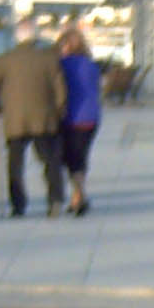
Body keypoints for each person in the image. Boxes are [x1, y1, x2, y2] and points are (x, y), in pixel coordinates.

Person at [0, 19, 67, 217]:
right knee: (50, 161)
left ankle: (18, 204)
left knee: (15, 164)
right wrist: (60, 109)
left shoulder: (5, 60)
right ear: (35, 36)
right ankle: (55, 199)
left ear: (16, 37)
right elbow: (60, 88)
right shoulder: (49, 59)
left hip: (15, 120)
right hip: (44, 118)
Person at [55, 25, 101, 216]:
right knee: (81, 156)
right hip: (92, 117)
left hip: (72, 117)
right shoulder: (90, 64)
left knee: (71, 159)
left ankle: (78, 195)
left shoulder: (62, 64)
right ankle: (78, 196)